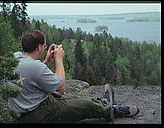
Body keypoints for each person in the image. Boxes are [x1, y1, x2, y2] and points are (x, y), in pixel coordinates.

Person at [8, 29, 139, 123]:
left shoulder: (13, 58)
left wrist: (47, 61)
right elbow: (60, 86)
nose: (44, 48)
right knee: (85, 106)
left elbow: (31, 75)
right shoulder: (35, 67)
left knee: (76, 98)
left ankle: (103, 103)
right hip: (41, 114)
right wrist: (59, 59)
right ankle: (112, 110)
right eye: (44, 46)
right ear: (39, 48)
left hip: (23, 111)